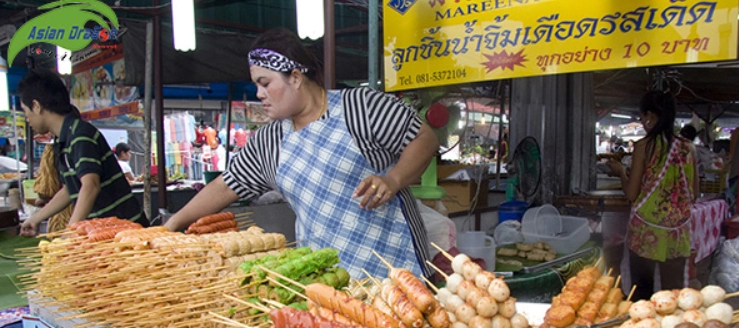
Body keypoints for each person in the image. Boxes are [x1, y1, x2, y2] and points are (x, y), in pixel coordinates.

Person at [164, 28, 439, 278]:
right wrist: (172, 224)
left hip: (394, 266)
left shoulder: (360, 107)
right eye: (256, 85)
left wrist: (393, 179)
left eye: (265, 83)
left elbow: (424, 138)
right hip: (327, 276)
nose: (259, 93)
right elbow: (226, 186)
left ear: (295, 78)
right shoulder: (268, 141)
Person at [17, 69, 147, 236]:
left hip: (127, 233)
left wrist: (70, 233)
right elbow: (70, 190)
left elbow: (90, 185)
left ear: (36, 106)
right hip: (105, 233)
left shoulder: (80, 134)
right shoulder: (63, 140)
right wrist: (36, 218)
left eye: (26, 111)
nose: (27, 119)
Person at [607, 90, 699, 300]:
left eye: (642, 117)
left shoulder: (644, 146)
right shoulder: (689, 148)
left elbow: (632, 194)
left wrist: (621, 171)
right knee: (674, 296)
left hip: (646, 233)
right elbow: (693, 194)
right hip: (677, 233)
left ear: (649, 115)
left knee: (642, 293)